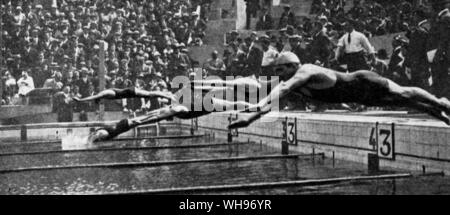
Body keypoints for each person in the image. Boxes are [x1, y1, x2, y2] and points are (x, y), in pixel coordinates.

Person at [229, 52, 450, 129]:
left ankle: (440, 102)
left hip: (364, 81)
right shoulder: (294, 83)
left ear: (293, 65)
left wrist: (257, 105)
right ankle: (442, 115)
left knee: (404, 94)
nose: (279, 74)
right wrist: (250, 120)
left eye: (281, 69)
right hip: (360, 98)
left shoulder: (305, 70)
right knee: (406, 103)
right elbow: (272, 103)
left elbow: (284, 87)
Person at [73, 87, 175, 103]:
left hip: (130, 92)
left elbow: (94, 97)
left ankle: (168, 96)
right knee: (149, 94)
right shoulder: (105, 93)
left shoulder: (105, 93)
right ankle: (167, 94)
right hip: (129, 93)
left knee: (149, 94)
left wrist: (80, 100)